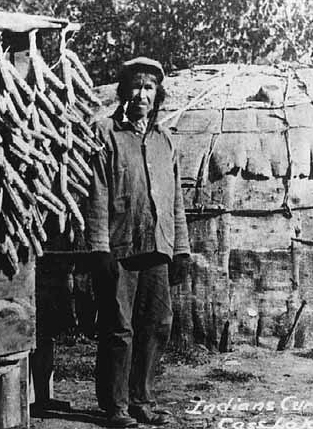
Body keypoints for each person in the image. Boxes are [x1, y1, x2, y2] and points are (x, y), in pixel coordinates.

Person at [84, 57, 190, 428]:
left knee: (158, 322)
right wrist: (99, 247)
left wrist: (182, 249)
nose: (142, 94)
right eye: (135, 86)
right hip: (120, 246)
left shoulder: (165, 141)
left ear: (157, 94)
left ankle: (142, 398)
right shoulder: (105, 133)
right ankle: (115, 407)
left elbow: (176, 199)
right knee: (119, 327)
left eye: (149, 88)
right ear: (123, 90)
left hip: (157, 245)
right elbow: (96, 193)